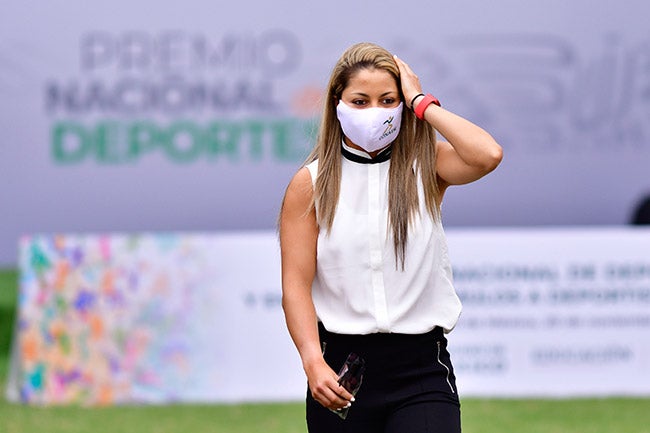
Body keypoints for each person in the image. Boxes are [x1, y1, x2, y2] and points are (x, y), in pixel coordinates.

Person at [279, 42, 503, 433]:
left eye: (388, 100)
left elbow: (487, 155)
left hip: (420, 370)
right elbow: (295, 285)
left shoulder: (427, 165)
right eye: (360, 101)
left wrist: (421, 101)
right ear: (337, 103)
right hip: (343, 370)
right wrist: (313, 361)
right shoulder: (310, 184)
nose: (375, 112)